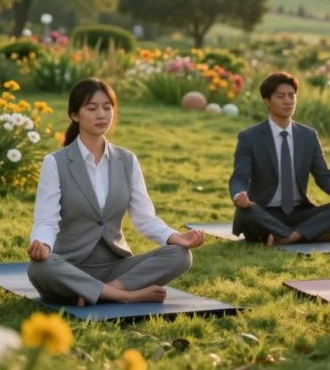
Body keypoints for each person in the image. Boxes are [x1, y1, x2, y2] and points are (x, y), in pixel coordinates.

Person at [27, 78, 205, 305]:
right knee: (40, 267)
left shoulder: (127, 160)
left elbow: (144, 218)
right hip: (70, 266)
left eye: (107, 107)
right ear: (74, 115)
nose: (101, 115)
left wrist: (175, 237)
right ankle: (125, 296)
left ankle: (98, 292)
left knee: (180, 255)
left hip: (116, 267)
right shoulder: (55, 162)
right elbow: (46, 220)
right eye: (92, 108)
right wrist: (42, 245)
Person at [229, 72, 330, 245]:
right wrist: (239, 194)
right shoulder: (250, 137)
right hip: (264, 212)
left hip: (300, 212)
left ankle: (288, 237)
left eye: (292, 96)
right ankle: (311, 233)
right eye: (281, 96)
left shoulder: (308, 135)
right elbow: (239, 176)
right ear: (267, 101)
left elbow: (324, 176)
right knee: (246, 213)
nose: (288, 101)